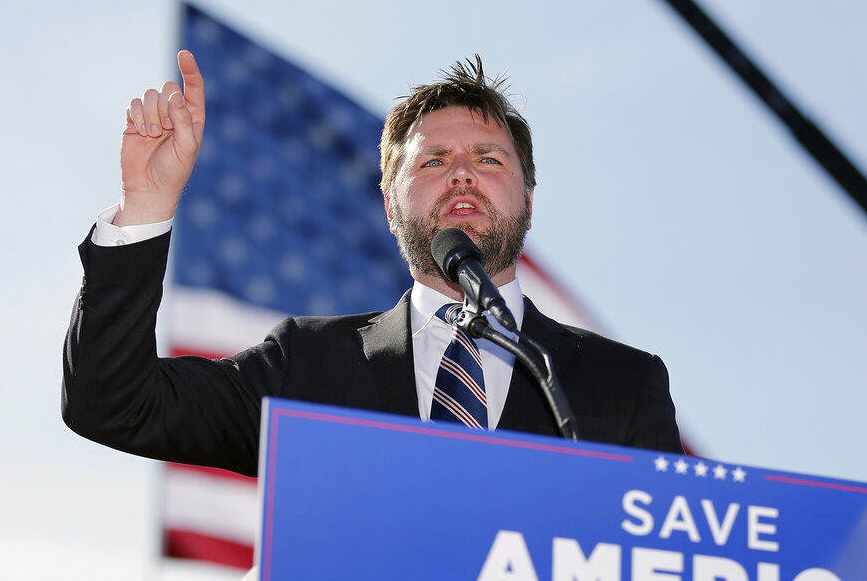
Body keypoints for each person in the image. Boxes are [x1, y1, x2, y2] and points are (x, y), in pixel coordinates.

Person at [62, 51, 683, 477]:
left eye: (489, 159)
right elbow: (112, 403)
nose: (462, 173)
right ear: (389, 206)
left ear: (528, 200)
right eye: (432, 161)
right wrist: (146, 206)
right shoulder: (306, 366)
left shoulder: (623, 384)